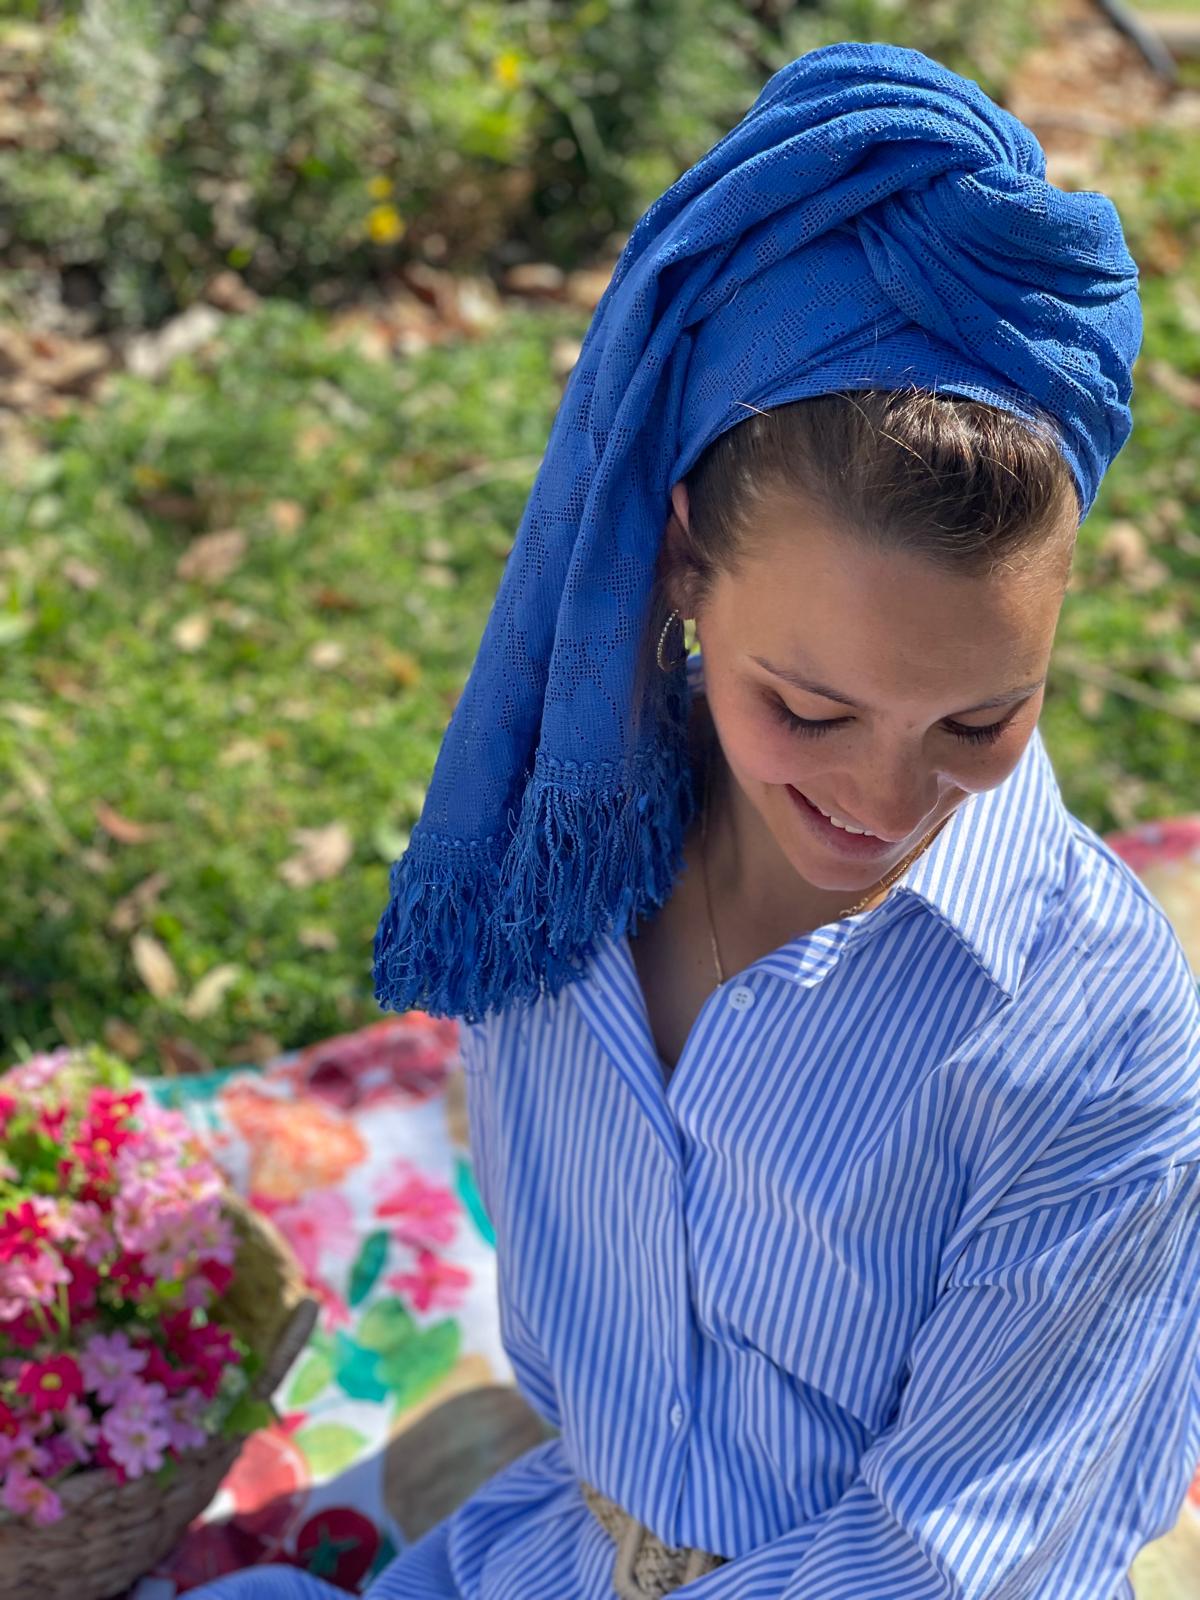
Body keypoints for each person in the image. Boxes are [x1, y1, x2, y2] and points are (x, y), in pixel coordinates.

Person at [192, 39, 1200, 1600]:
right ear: (678, 564)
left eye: (979, 721)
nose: (882, 803)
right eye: (809, 709)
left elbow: (948, 1560)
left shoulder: (1092, 1031)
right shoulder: (554, 876)